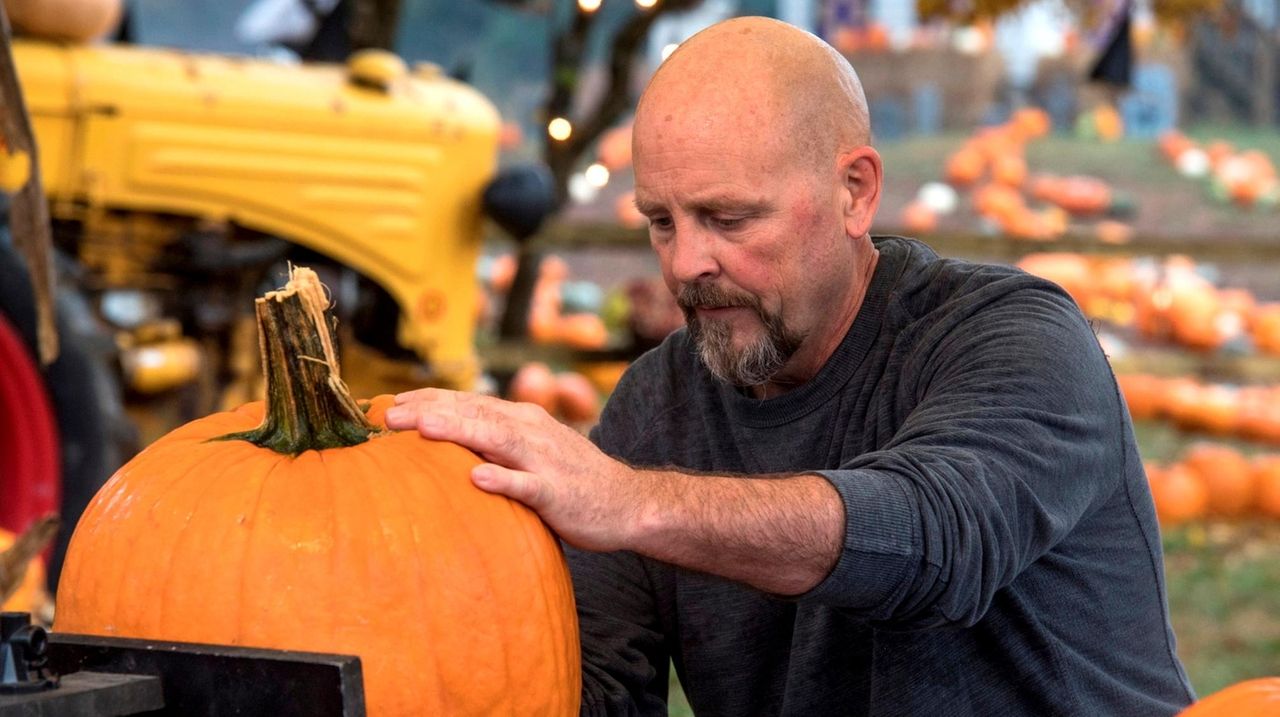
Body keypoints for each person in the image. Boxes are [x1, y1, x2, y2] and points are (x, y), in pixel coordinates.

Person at [384, 16, 1195, 716]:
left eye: (728, 217)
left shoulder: (1014, 335)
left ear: (854, 192)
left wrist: (628, 500)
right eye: (660, 222)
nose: (687, 263)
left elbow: (936, 539)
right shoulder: (654, 407)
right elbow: (599, 687)